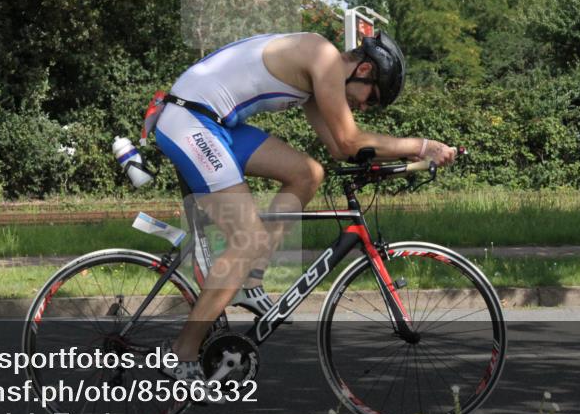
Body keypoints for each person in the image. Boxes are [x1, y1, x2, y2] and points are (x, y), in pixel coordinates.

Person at [152, 31, 456, 382]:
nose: (365, 106)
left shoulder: (318, 79)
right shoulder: (323, 58)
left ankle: (250, 280)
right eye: (371, 97)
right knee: (246, 240)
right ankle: (182, 352)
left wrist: (387, 164)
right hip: (190, 121)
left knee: (308, 174)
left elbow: (341, 150)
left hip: (213, 123)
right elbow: (350, 138)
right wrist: (420, 146)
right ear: (364, 69)